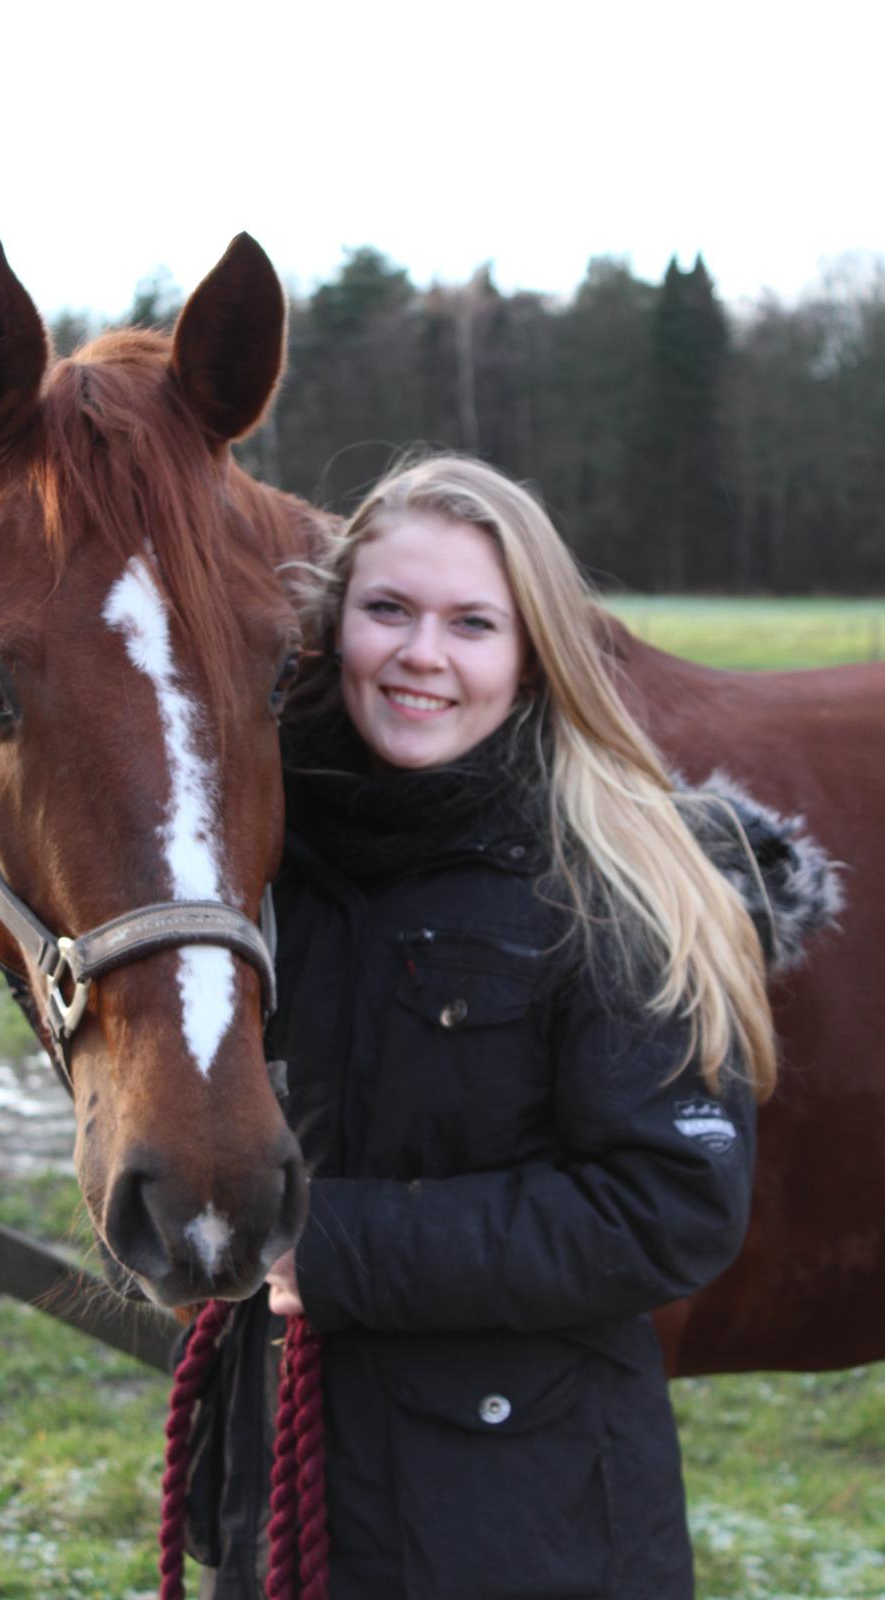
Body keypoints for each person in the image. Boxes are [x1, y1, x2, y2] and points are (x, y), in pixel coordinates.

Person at [185, 455, 798, 1599]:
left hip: (524, 1525)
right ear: (331, 630)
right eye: (388, 610)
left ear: (530, 656)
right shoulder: (266, 861)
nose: (423, 654)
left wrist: (335, 1247)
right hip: (290, 1489)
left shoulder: (614, 879)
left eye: (472, 622)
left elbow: (667, 1206)